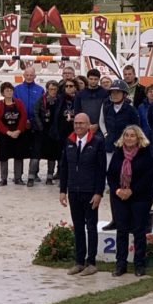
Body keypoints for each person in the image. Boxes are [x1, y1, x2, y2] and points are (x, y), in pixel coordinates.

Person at [59, 113, 106, 275]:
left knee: (91, 227)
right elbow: (64, 167)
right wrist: (62, 190)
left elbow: (101, 170)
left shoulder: (98, 142)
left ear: (88, 125)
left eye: (81, 123)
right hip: (73, 190)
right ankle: (79, 261)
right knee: (78, 227)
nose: (78, 126)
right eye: (76, 123)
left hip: (90, 191)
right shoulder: (69, 141)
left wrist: (98, 192)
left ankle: (91, 262)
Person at [105, 124, 153, 276]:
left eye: (132, 135)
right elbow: (111, 174)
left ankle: (139, 264)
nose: (129, 138)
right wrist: (118, 190)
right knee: (122, 230)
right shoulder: (118, 152)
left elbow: (148, 177)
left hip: (140, 197)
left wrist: (131, 191)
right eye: (126, 135)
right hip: (120, 197)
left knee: (139, 231)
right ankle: (121, 264)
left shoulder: (145, 153)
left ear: (138, 137)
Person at [13, 66, 45, 187]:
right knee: (19, 152)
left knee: (36, 151)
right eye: (27, 75)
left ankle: (33, 174)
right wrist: (23, 121)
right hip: (21, 125)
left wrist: (34, 121)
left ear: (35, 76)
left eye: (31, 75)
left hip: (35, 124)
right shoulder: (17, 89)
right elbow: (15, 106)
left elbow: (42, 107)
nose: (29, 77)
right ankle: (18, 177)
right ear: (23, 75)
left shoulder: (40, 90)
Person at [0, 82, 28, 186]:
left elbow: (23, 117)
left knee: (18, 156)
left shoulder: (19, 103)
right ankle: (3, 179)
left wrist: (18, 131)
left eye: (10, 90)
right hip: (4, 135)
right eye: (6, 91)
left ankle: (18, 178)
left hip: (18, 133)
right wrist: (7, 132)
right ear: (2, 93)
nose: (9, 92)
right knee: (3, 157)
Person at [33, 80, 65, 185]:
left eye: (55, 89)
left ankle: (50, 177)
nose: (53, 91)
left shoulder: (59, 100)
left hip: (54, 131)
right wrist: (40, 126)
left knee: (52, 156)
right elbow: (36, 112)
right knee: (36, 155)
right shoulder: (41, 99)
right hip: (41, 131)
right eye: (51, 89)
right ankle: (31, 176)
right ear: (47, 89)